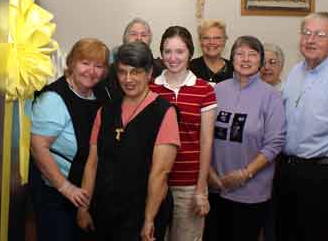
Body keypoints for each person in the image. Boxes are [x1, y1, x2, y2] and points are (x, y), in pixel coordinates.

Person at [76, 42, 180, 241]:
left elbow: (160, 173)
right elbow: (92, 164)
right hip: (104, 210)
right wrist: (83, 208)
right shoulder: (105, 111)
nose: (128, 79)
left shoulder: (164, 112)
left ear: (149, 73)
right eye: (122, 72)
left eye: (135, 72)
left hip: (142, 213)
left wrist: (149, 220)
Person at [29, 38, 111, 241]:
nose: (91, 71)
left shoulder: (102, 93)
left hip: (88, 196)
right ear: (72, 63)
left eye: (98, 66)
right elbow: (38, 146)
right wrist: (66, 188)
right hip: (58, 197)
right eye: (85, 63)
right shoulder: (53, 99)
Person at [206, 36, 286, 241]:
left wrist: (245, 174)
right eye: (240, 53)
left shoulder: (271, 96)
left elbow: (275, 142)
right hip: (215, 186)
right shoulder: (217, 90)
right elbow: (204, 135)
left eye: (252, 54)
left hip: (251, 190)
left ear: (260, 60)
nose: (246, 59)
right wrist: (209, 172)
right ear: (232, 58)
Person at [150, 26, 217, 241]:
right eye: (168, 51)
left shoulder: (204, 90)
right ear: (161, 54)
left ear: (190, 53)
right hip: (156, 182)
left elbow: (206, 142)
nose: (173, 57)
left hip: (189, 186)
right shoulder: (150, 90)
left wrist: (200, 189)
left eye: (179, 51)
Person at [276, 12, 328, 241]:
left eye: (320, 35)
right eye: (307, 33)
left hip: (323, 175)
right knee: (284, 233)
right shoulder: (295, 71)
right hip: (288, 171)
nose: (311, 40)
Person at [190, 19, 233, 85]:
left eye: (217, 38)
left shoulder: (234, 69)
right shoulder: (189, 69)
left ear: (225, 40)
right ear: (200, 41)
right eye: (206, 38)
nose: (211, 42)